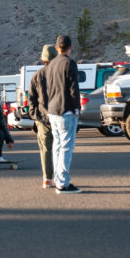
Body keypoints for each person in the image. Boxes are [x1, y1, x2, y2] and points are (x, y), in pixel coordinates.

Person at [45, 34, 82, 193]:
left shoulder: (51, 64)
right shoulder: (70, 63)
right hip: (66, 109)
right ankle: (63, 183)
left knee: (57, 145)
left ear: (56, 47)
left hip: (52, 109)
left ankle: (57, 179)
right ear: (70, 47)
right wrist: (76, 108)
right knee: (67, 147)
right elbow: (74, 89)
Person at [28, 44, 57, 188]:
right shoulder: (60, 74)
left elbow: (31, 100)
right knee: (60, 148)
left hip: (42, 119)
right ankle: (60, 177)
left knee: (45, 149)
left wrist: (35, 116)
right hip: (59, 116)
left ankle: (47, 178)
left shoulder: (36, 76)